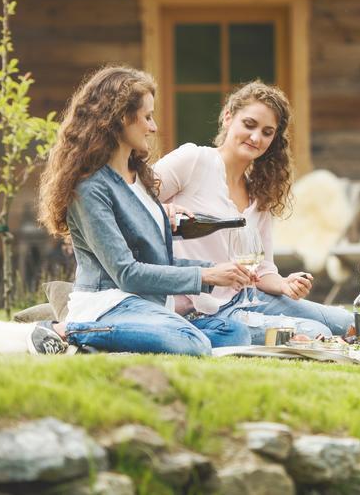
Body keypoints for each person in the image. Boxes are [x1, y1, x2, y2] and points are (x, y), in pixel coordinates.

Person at [31, 66, 253, 355]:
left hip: (149, 306)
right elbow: (126, 273)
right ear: (121, 118)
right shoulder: (90, 188)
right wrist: (204, 277)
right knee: (191, 343)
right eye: (147, 117)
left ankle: (125, 339)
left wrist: (219, 271)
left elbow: (159, 260)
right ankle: (64, 329)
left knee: (235, 333)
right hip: (108, 304)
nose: (154, 127)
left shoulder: (140, 178)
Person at [155, 81, 353, 344]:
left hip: (247, 299)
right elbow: (131, 201)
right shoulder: (193, 161)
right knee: (319, 333)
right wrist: (163, 209)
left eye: (267, 132)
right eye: (249, 125)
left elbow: (262, 269)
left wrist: (283, 284)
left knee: (347, 322)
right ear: (227, 117)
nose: (256, 137)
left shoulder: (260, 192)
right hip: (200, 309)